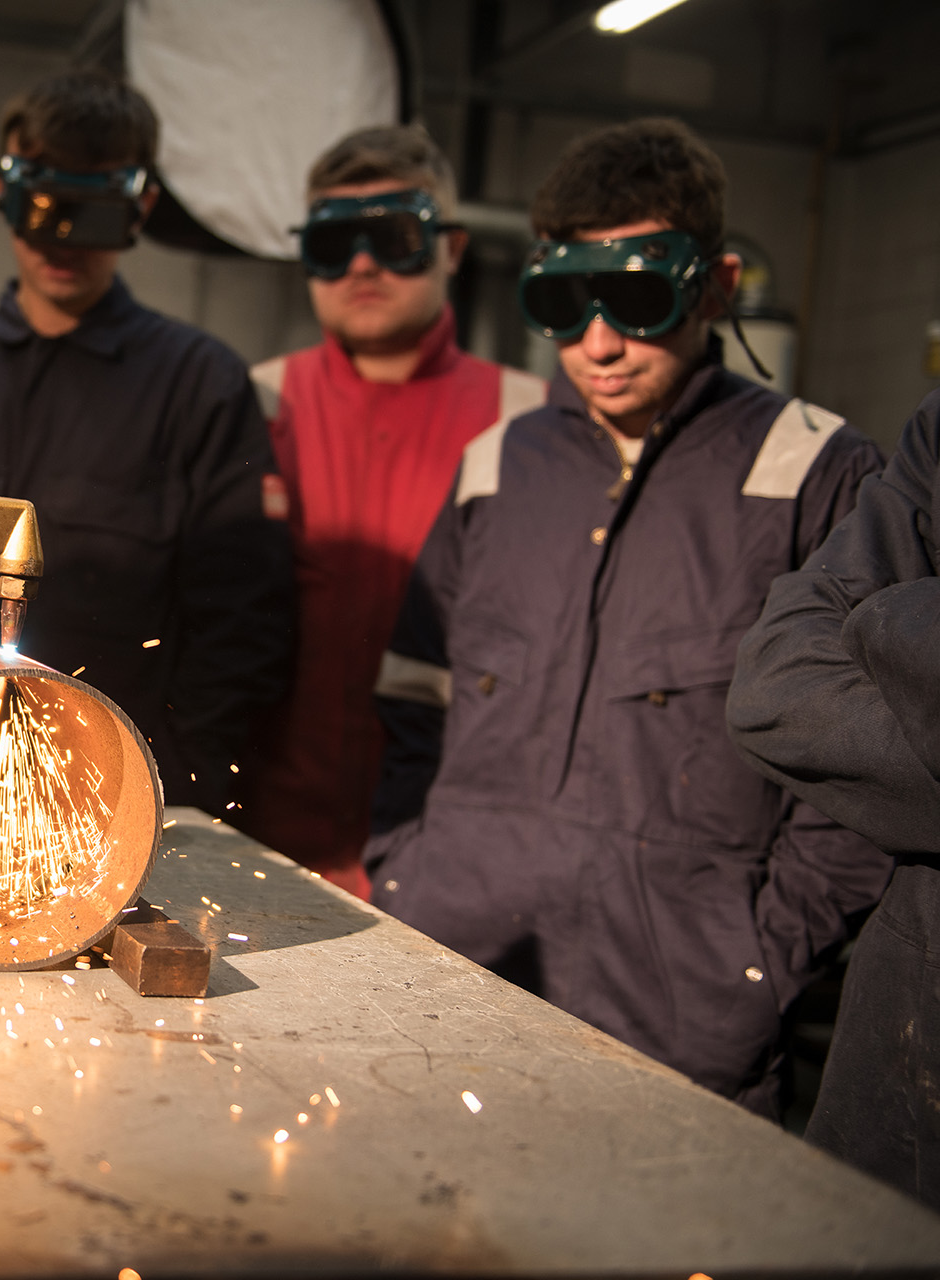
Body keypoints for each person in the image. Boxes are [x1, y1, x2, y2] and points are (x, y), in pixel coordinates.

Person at [362, 117, 891, 1118]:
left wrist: (755, 964)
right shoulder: (496, 467)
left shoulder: (818, 476)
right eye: (564, 304)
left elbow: (859, 772)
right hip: (451, 970)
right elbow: (412, 692)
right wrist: (408, 875)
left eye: (638, 299)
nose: (598, 343)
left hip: (680, 1023)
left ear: (719, 285)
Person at [0, 70, 290, 814]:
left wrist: (164, 783)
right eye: (40, 206)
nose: (60, 238)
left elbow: (240, 618)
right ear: (6, 193)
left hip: (109, 792)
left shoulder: (200, 384)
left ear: (140, 209)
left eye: (88, 212)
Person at [230, 125, 545, 897]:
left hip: (451, 867)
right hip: (259, 846)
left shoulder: (531, 424)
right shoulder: (249, 404)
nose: (363, 265)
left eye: (395, 237)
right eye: (336, 242)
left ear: (453, 249)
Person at [727, 390, 940, 1202]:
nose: (602, 340)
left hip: (712, 988)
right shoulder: (937, 432)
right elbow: (773, 691)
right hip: (892, 1101)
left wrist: (753, 961)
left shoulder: (816, 456)